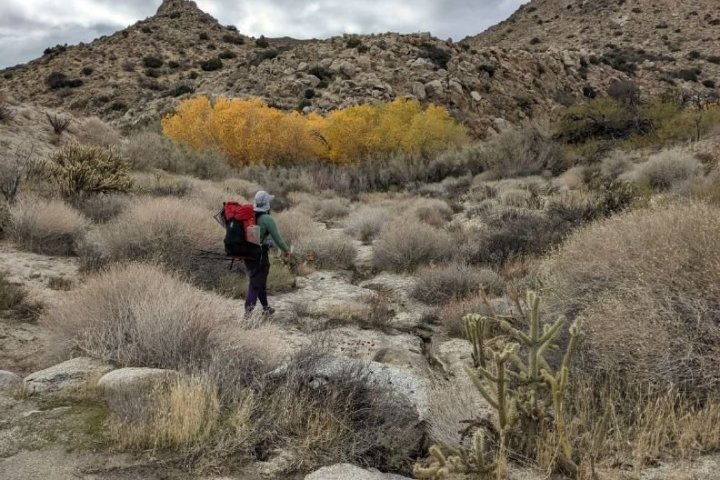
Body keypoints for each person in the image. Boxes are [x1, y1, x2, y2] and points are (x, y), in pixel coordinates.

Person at [244, 190, 290, 316]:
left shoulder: (250, 216)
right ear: (266, 204)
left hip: (248, 254)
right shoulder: (266, 219)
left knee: (260, 282)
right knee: (255, 284)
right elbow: (278, 238)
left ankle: (266, 308)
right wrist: (286, 250)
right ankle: (247, 316)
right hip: (259, 256)